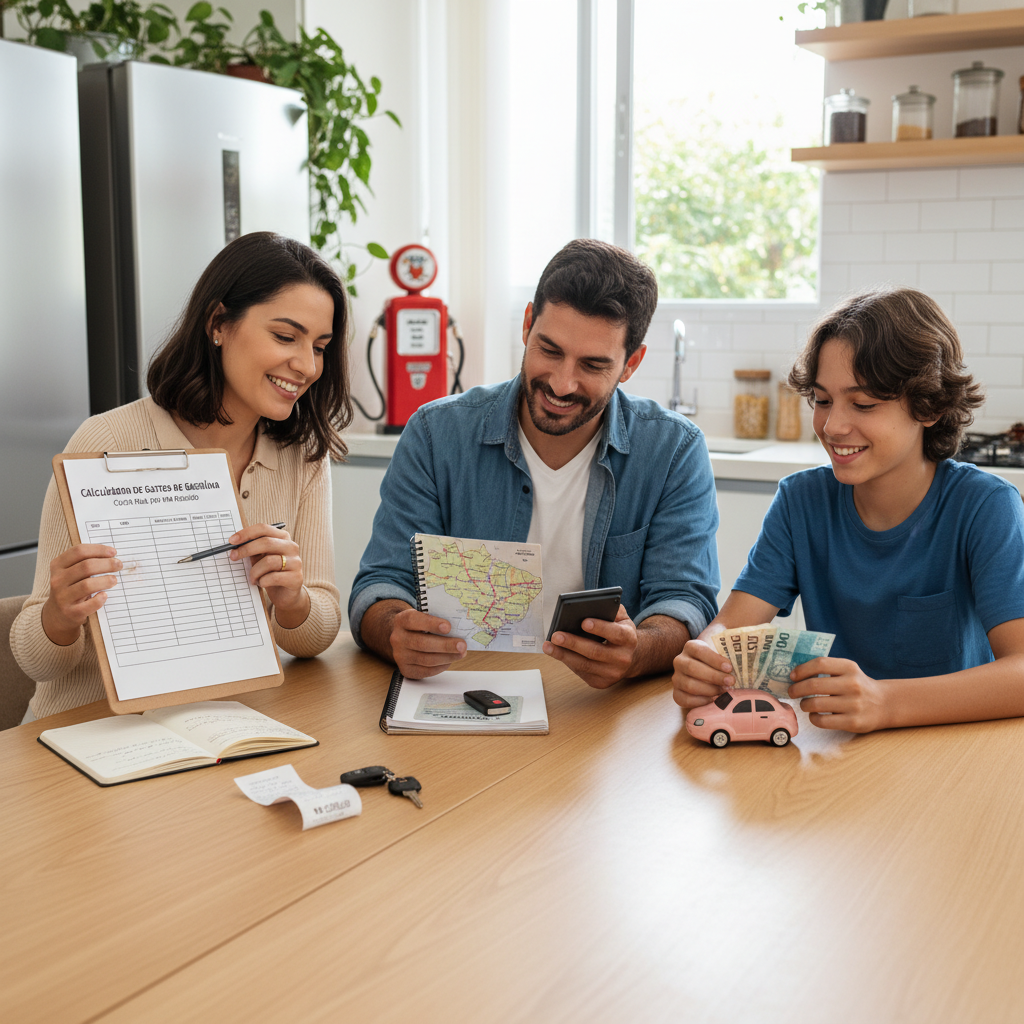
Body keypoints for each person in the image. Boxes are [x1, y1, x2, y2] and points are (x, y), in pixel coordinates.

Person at [350, 238, 720, 687]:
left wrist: (638, 651)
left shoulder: (673, 450)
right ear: (527, 324)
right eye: (549, 350)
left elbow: (685, 600)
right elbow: (380, 585)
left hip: (600, 710)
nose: (562, 383)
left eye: (592, 365)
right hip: (465, 690)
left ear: (631, 363)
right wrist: (395, 631)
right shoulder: (435, 434)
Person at [13, 232, 351, 719]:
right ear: (218, 323)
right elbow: (35, 660)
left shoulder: (302, 456)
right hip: (93, 731)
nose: (307, 366)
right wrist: (59, 615)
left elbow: (315, 636)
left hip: (225, 724)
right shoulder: (104, 442)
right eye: (285, 336)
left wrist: (294, 600)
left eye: (320, 346)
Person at [672, 288, 1024, 733]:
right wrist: (704, 656)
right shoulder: (801, 503)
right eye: (822, 400)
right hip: (841, 754)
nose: (833, 426)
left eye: (863, 404)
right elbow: (729, 628)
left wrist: (886, 702)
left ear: (929, 405)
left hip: (951, 755)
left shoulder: (984, 508)